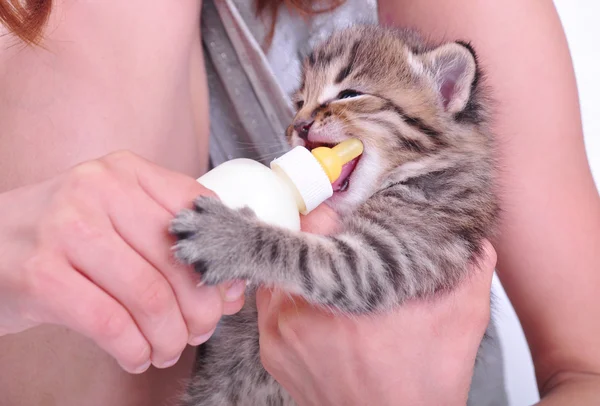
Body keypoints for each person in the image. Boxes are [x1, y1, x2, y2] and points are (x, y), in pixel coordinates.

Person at [0, 1, 598, 406]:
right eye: (303, 102)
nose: (306, 123)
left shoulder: (433, 196)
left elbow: (587, 368)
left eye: (347, 98)